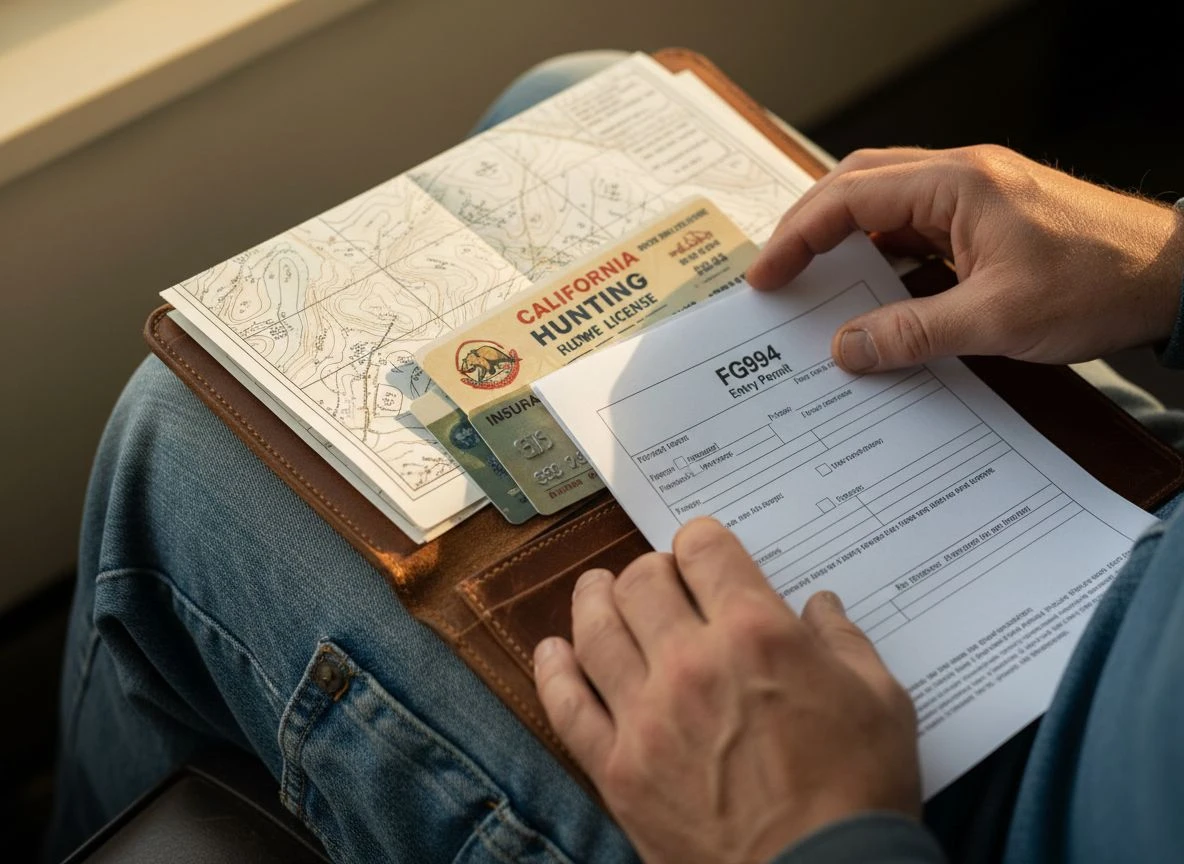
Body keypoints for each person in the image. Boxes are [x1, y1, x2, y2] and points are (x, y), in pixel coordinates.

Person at [49, 53, 1184, 864]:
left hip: (971, 810)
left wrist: (810, 834)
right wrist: (1165, 263)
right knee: (572, 98)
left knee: (182, 433)